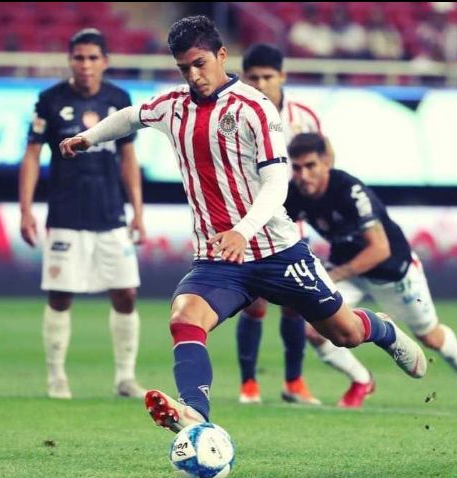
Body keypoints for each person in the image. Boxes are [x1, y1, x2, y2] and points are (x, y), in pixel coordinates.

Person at [60, 16, 427, 433]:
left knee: (342, 332)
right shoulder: (172, 107)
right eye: (184, 68)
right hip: (219, 257)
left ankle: (383, 330)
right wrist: (87, 139)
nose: (193, 75)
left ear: (221, 55)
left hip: (277, 250)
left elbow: (276, 182)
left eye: (199, 64)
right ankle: (195, 413)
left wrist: (243, 230)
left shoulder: (254, 107)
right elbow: (130, 117)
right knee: (184, 316)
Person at [285, 132, 457, 410]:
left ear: (326, 161)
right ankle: (361, 380)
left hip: (392, 271)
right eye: (298, 167)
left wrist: (333, 275)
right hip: (349, 271)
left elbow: (379, 249)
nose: (303, 175)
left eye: (311, 165)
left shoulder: (350, 191)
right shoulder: (296, 193)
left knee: (430, 337)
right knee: (315, 330)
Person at [236, 43, 375, 408]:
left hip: (290, 218)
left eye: (268, 76)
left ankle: (293, 382)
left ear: (282, 76)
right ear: (244, 77)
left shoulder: (303, 116)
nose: (262, 83)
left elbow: (324, 155)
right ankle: (249, 385)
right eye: (254, 77)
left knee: (295, 303)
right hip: (249, 217)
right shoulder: (234, 114)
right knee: (255, 304)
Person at [18, 28, 147, 400]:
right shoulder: (49, 101)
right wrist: (26, 210)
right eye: (79, 57)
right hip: (66, 213)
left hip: (110, 213)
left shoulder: (119, 99)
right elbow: (32, 155)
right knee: (60, 296)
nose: (86, 64)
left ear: (105, 61)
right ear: (70, 60)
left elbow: (128, 157)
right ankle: (56, 377)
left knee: (126, 294)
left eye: (93, 57)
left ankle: (125, 378)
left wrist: (137, 211)